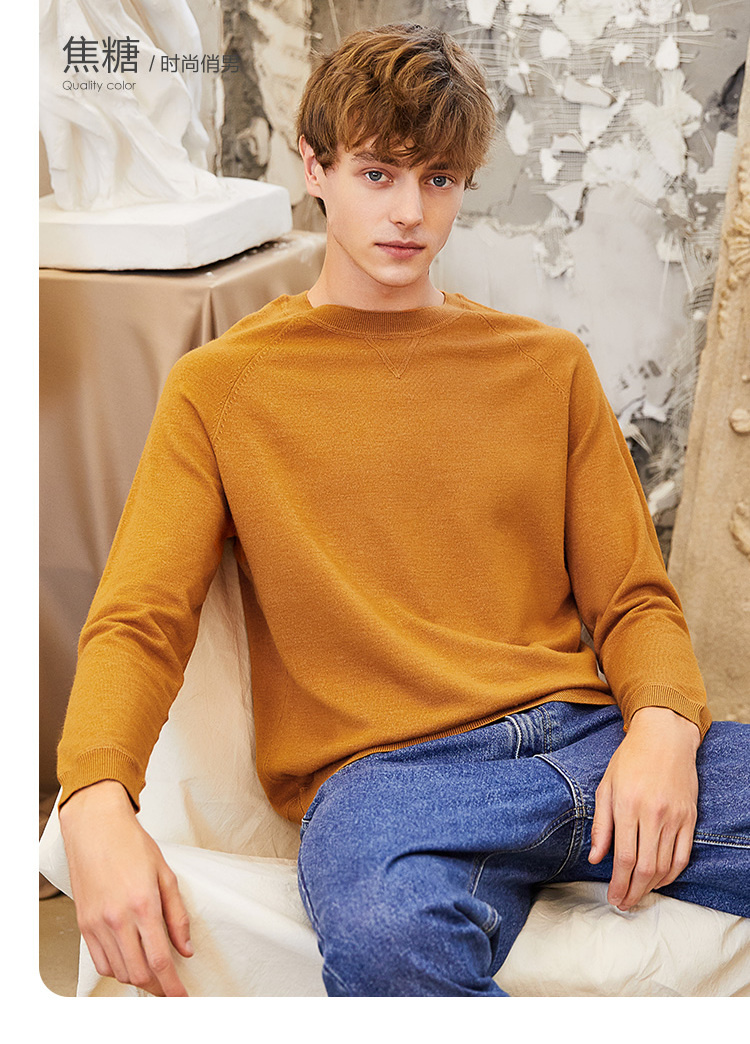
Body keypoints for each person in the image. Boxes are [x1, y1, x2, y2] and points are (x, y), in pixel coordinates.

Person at [55, 23, 749, 998]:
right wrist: (92, 805)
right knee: (389, 937)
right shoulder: (222, 388)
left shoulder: (546, 368)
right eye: (378, 174)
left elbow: (633, 597)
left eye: (440, 180)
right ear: (315, 167)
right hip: (387, 790)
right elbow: (140, 619)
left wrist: (664, 735)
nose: (410, 212)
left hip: (583, 741)